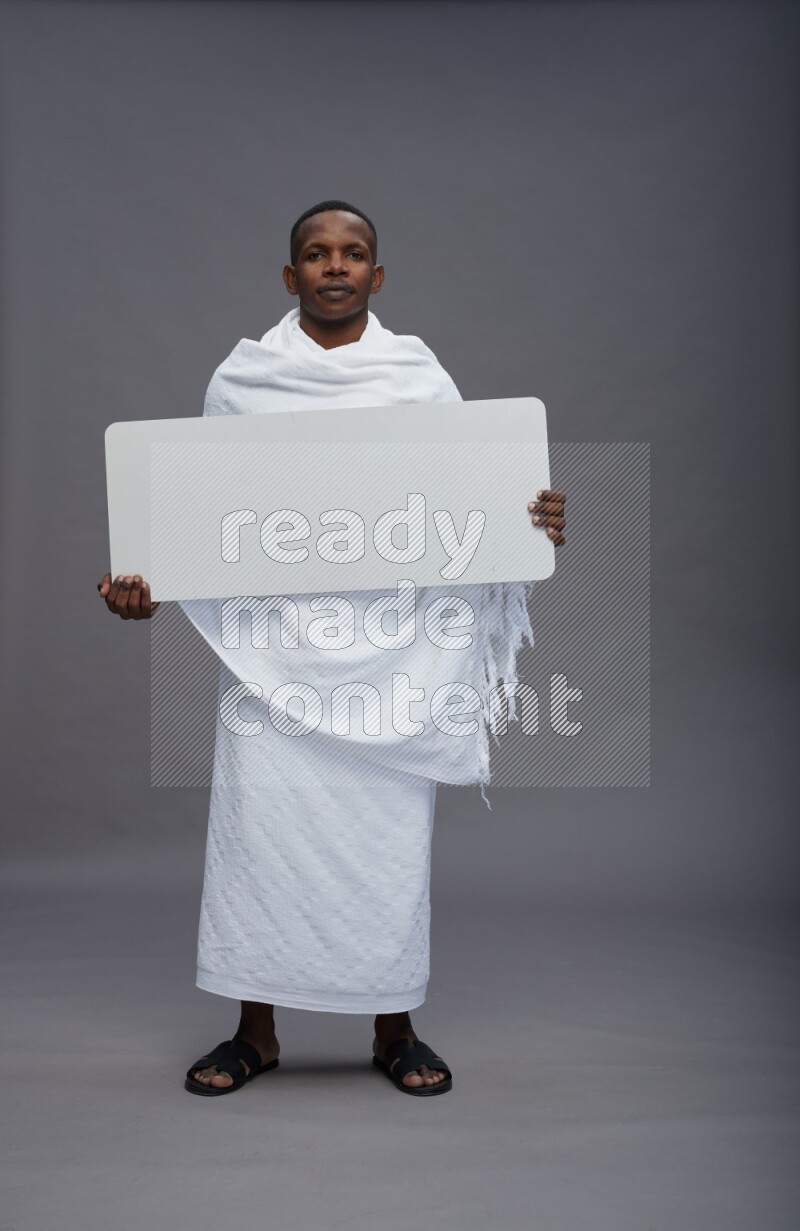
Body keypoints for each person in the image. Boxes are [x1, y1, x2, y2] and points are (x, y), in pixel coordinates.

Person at [98, 201, 566, 1098]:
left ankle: (395, 1026)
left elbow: (471, 495)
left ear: (378, 277)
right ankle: (255, 1031)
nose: (336, 266)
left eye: (354, 253)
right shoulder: (242, 382)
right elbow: (204, 520)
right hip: (272, 656)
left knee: (385, 838)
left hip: (392, 650)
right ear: (290, 277)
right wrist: (143, 586)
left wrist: (532, 521)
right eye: (316, 254)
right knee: (261, 835)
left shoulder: (420, 378)